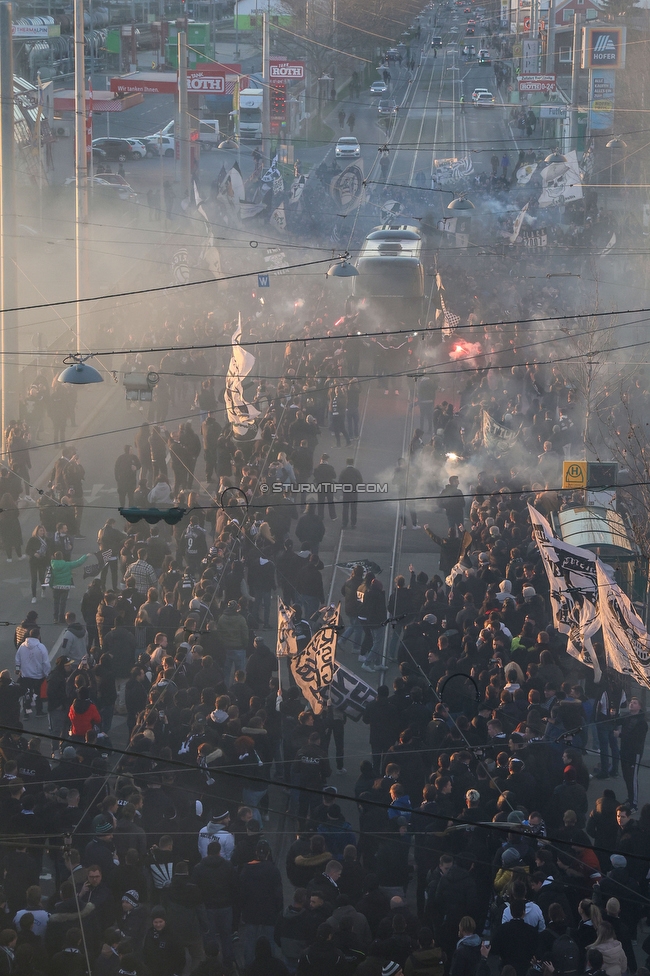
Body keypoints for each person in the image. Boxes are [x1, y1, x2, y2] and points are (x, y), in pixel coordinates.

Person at [615, 698, 647, 811]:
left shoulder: (642, 722)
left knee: (632, 778)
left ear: (639, 706)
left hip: (634, 753)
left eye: (635, 703)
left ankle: (634, 804)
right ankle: (630, 798)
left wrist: (620, 735)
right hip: (624, 751)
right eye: (631, 702)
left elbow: (636, 738)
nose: (631, 704)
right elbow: (616, 721)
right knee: (626, 776)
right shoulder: (626, 717)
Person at [15, 630, 50, 716]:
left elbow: (17, 658)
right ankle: (39, 711)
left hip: (25, 675)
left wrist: (17, 668)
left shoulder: (22, 646)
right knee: (37, 694)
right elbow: (45, 663)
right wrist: (47, 674)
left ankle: (27, 712)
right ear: (38, 636)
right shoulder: (41, 647)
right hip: (38, 676)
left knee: (27, 694)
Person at [49, 551, 89, 624]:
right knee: (63, 603)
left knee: (56, 602)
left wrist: (51, 585)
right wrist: (85, 556)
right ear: (62, 557)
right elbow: (78, 563)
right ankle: (61, 618)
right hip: (65, 586)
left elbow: (51, 576)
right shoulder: (67, 564)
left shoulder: (52, 565)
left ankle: (55, 618)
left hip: (56, 586)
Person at [25, 526, 50, 603]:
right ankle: (34, 596)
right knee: (34, 579)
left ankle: (43, 589)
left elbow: (49, 551)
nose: (42, 532)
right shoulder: (32, 539)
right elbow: (27, 550)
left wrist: (49, 560)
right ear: (37, 531)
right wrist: (34, 553)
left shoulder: (47, 540)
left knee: (42, 577)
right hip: (33, 561)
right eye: (40, 531)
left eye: (43, 531)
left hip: (43, 561)